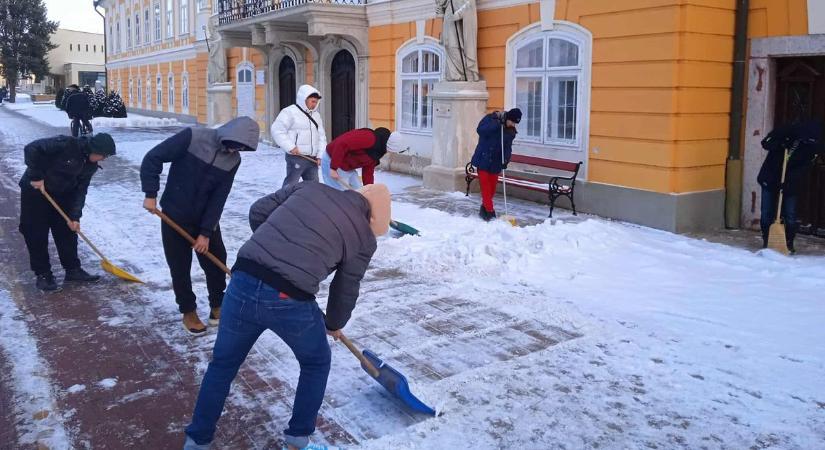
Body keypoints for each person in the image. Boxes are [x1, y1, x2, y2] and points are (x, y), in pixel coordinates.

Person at [182, 182, 391, 450]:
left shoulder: (310, 188)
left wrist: (275, 248)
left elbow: (258, 211)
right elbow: (345, 288)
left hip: (243, 279)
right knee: (316, 362)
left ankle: (196, 441)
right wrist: (334, 323)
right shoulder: (363, 238)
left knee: (222, 365)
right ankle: (297, 441)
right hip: (288, 298)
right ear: (373, 219)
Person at [140, 117, 260, 336]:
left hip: (205, 218)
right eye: (235, 145)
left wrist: (206, 233)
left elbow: (219, 197)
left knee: (216, 262)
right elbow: (153, 157)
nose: (236, 151)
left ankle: (217, 306)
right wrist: (150, 193)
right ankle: (188, 311)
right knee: (180, 266)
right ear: (228, 135)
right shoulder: (193, 137)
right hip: (174, 215)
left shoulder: (233, 160)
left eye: (242, 148)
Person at [18, 133, 117, 291]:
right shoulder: (66, 144)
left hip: (63, 195)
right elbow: (31, 148)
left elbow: (81, 191)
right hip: (36, 191)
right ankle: (43, 274)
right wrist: (36, 176)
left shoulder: (91, 166)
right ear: (93, 149)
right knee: (36, 233)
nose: (104, 159)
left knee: (68, 231)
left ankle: (73, 270)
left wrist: (75, 217)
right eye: (103, 155)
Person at [757, 119, 824, 253]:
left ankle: (788, 242)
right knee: (766, 213)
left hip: (791, 182)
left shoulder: (813, 148)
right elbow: (766, 143)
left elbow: (803, 168)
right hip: (770, 176)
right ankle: (767, 240)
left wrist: (789, 183)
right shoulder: (785, 132)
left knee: (790, 214)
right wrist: (781, 144)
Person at [271, 85, 327, 188]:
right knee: (290, 185)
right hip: (296, 157)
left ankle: (310, 199)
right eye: (312, 101)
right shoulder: (289, 112)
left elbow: (321, 137)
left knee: (314, 187)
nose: (314, 104)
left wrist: (320, 155)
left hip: (312, 159)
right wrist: (290, 147)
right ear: (304, 99)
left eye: (316, 102)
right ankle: (285, 198)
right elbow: (277, 130)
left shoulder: (316, 116)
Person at [470, 108, 521, 221]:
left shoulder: (510, 131)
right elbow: (480, 130)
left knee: (492, 188)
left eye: (515, 123)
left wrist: (506, 160)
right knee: (485, 187)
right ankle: (490, 212)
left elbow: (507, 148)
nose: (513, 125)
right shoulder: (490, 119)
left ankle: (484, 209)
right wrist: (497, 125)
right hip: (483, 158)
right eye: (512, 122)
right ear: (507, 118)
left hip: (496, 162)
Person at [321, 127, 404, 191]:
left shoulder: (378, 151)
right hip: (332, 159)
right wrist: (333, 168)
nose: (391, 153)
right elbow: (341, 144)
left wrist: (369, 189)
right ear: (390, 145)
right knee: (337, 195)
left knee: (360, 192)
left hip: (347, 166)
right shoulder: (368, 138)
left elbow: (368, 171)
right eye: (393, 151)